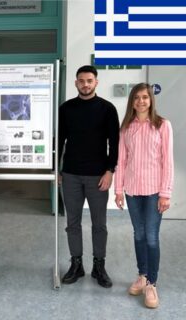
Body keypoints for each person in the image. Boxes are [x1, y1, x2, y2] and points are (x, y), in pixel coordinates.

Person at [58, 65, 119, 288]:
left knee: (99, 224)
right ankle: (76, 264)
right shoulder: (66, 109)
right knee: (72, 223)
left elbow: (115, 143)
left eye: (89, 80)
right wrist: (57, 169)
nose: (85, 84)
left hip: (98, 177)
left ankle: (99, 266)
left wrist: (110, 170)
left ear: (96, 82)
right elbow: (59, 140)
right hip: (71, 175)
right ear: (76, 83)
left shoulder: (107, 109)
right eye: (81, 80)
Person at [114, 83, 174, 308]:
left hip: (154, 192)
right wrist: (119, 190)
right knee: (138, 234)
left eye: (145, 97)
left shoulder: (162, 125)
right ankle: (142, 275)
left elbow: (167, 161)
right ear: (132, 101)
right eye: (137, 97)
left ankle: (151, 284)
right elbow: (121, 161)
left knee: (151, 236)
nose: (141, 101)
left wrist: (165, 193)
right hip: (132, 191)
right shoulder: (126, 127)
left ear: (151, 100)